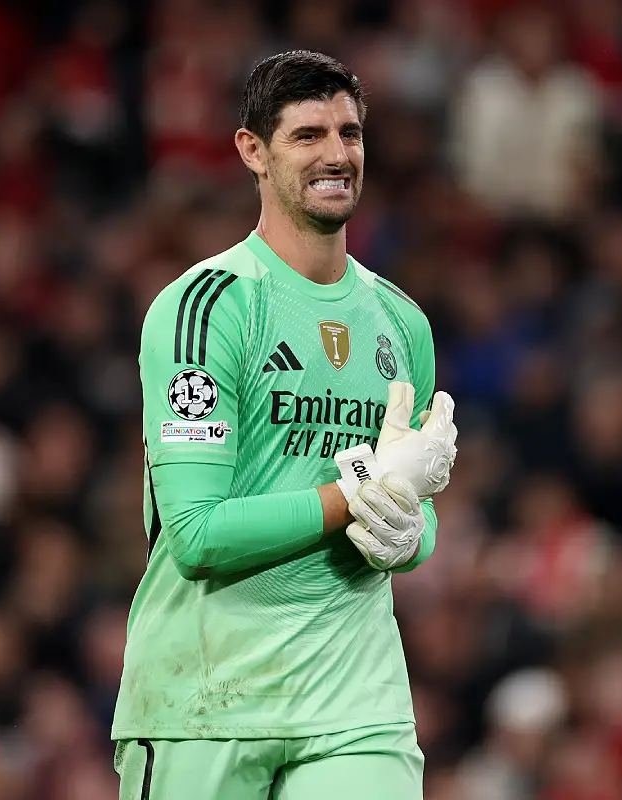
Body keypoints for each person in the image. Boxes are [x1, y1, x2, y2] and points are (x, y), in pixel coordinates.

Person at [111, 50, 458, 800]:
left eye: (350, 133)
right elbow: (197, 535)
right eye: (307, 135)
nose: (337, 154)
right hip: (205, 703)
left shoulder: (403, 324)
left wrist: (408, 534)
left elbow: (413, 516)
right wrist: (360, 496)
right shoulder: (206, 308)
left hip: (356, 708)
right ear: (252, 152)